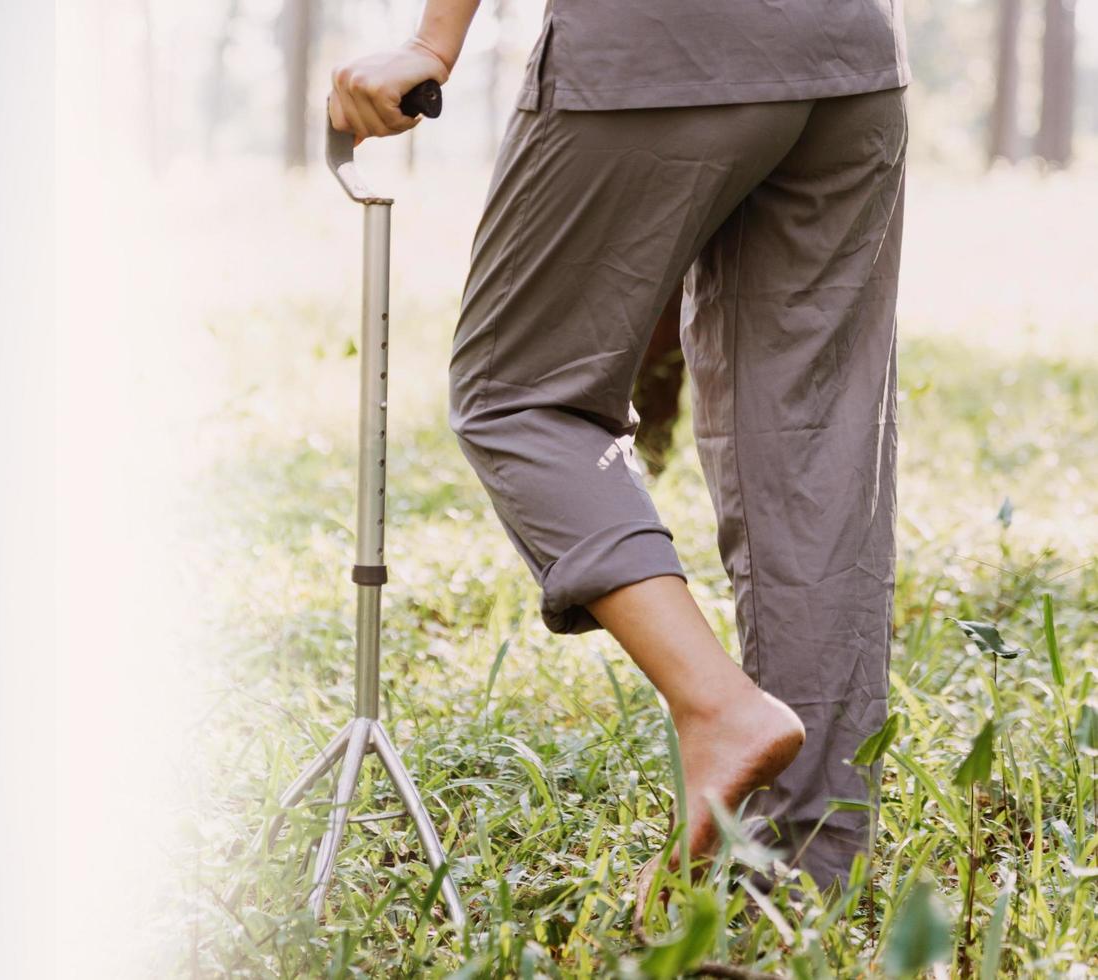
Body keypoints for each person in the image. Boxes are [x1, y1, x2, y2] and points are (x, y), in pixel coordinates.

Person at [328, 0, 909, 903]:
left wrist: (430, 43)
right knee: (814, 446)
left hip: (655, 49)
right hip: (851, 57)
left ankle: (716, 703)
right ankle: (808, 879)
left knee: (518, 395)